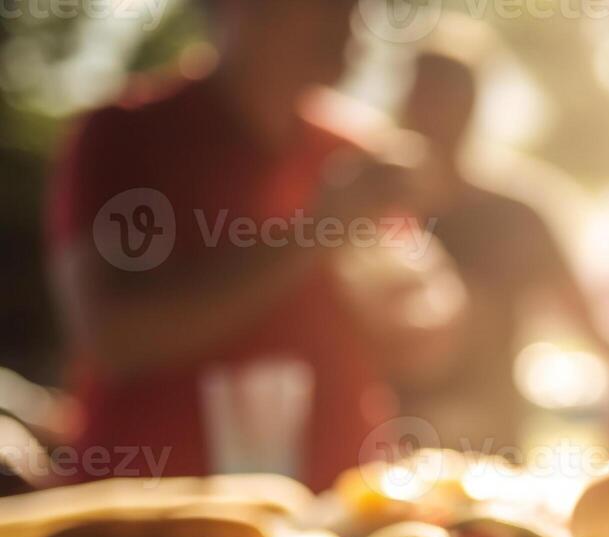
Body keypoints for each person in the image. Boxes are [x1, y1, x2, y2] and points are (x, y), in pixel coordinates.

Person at [47, 0, 462, 493]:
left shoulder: (356, 150)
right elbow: (114, 336)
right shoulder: (124, 135)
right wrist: (316, 231)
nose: (352, 20)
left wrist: (428, 316)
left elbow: (424, 329)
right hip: (148, 517)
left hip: (338, 509)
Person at [398, 44, 609, 457]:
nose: (426, 115)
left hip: (491, 451)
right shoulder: (374, 212)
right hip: (389, 450)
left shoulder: (516, 217)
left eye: (440, 99)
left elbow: (594, 326)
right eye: (420, 98)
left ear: (469, 108)